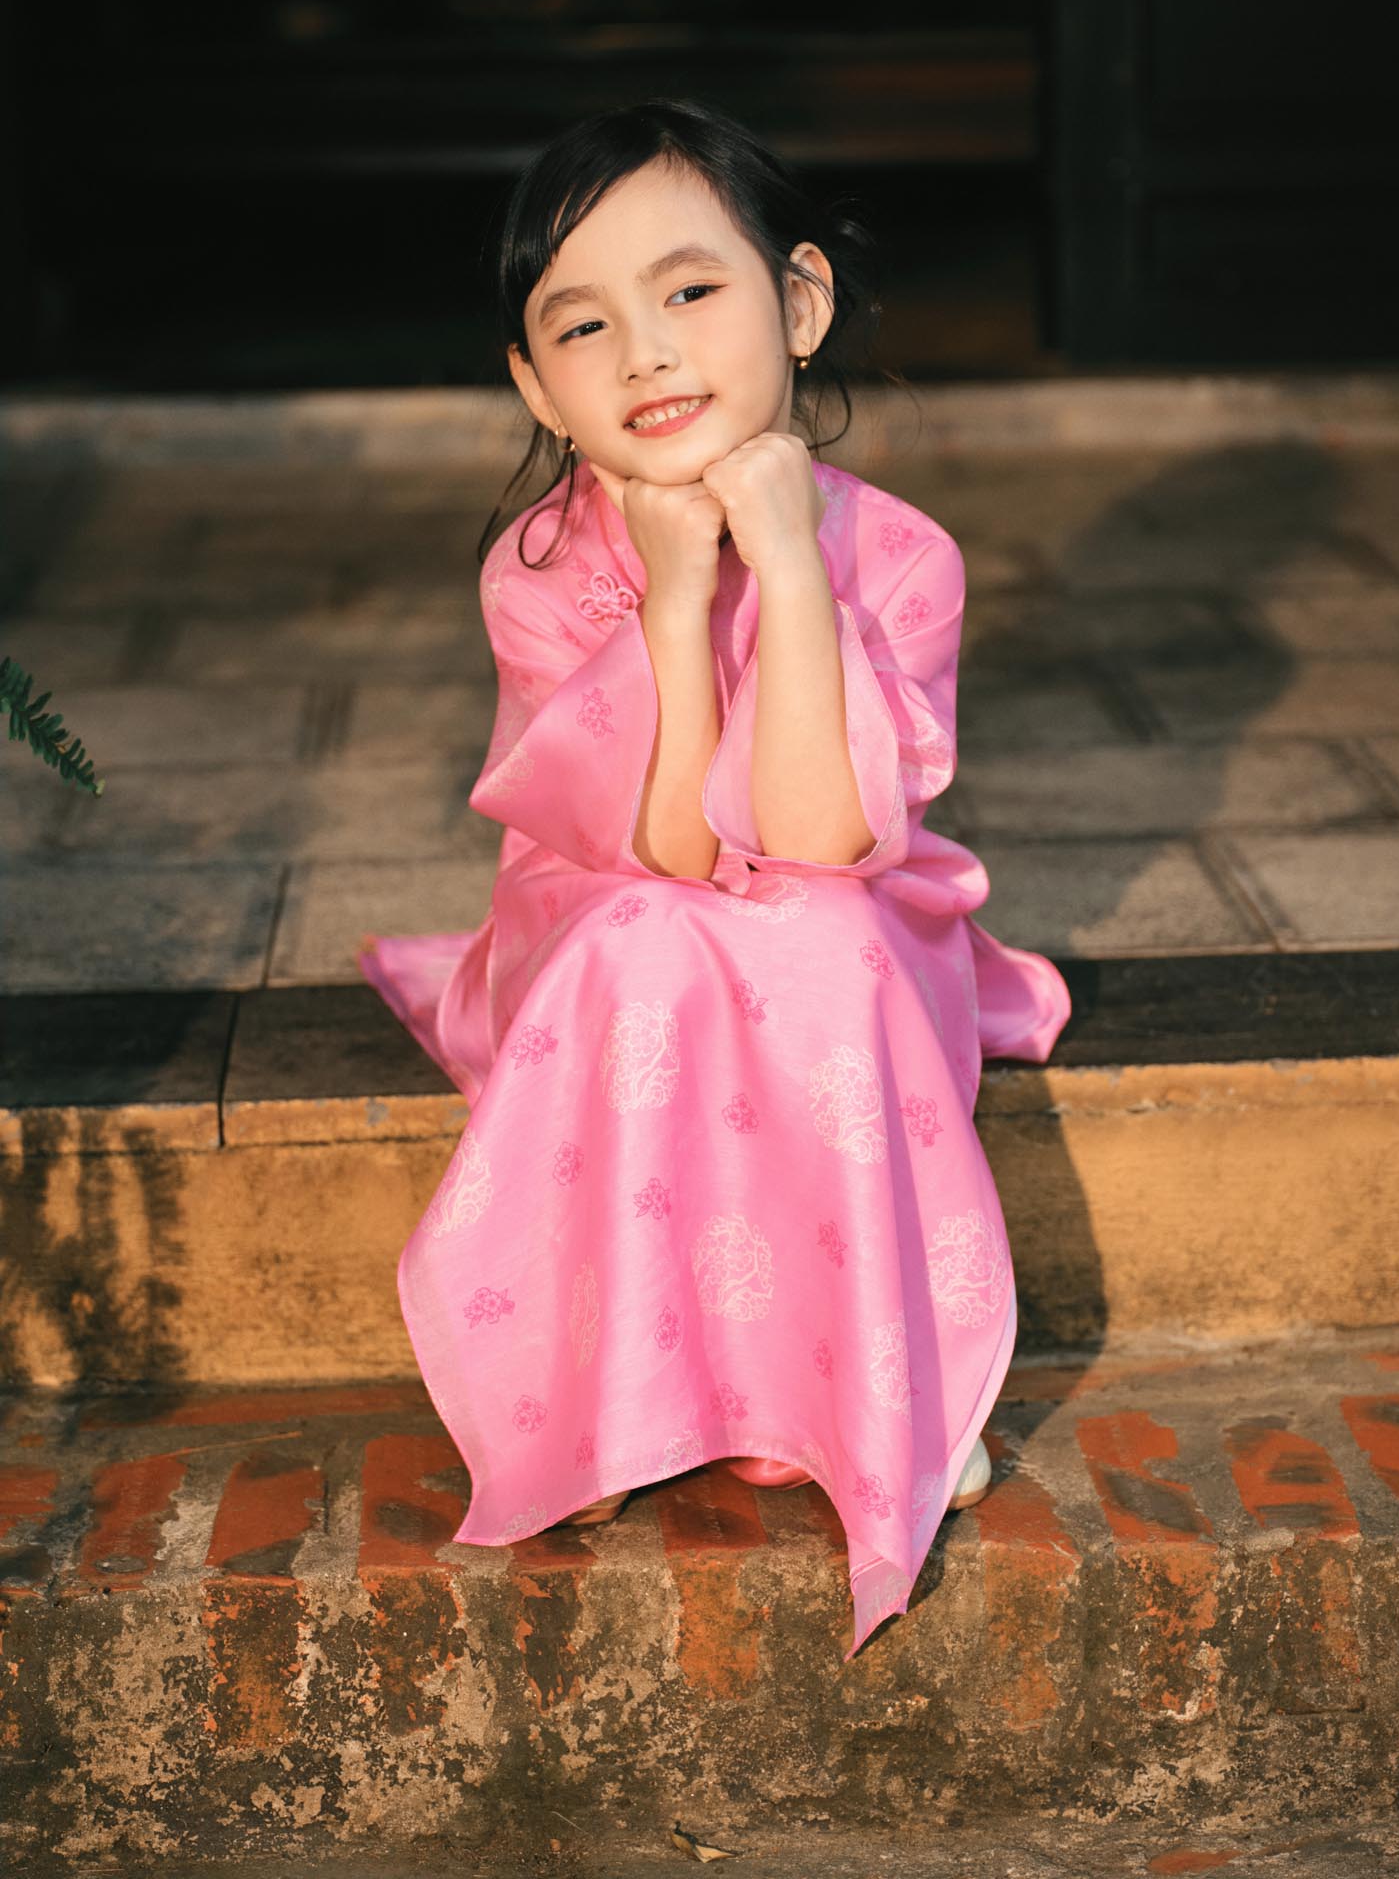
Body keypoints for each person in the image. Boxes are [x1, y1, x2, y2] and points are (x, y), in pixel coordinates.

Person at [357, 97, 1071, 1660]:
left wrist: (788, 563)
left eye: (690, 290)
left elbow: (816, 836)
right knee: (644, 936)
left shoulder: (904, 558)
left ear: (799, 303)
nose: (647, 354)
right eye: (584, 326)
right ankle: (610, 1386)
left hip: (841, 912)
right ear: (534, 386)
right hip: (604, 907)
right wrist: (675, 602)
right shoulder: (539, 572)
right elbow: (672, 847)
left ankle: (866, 1384)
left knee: (817, 929)